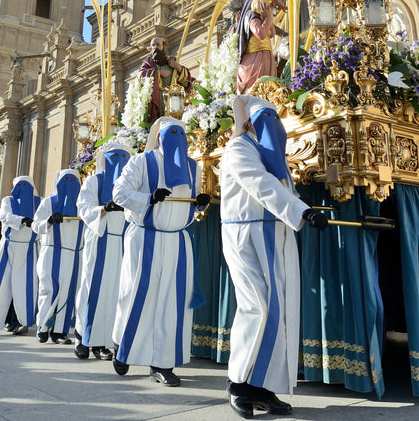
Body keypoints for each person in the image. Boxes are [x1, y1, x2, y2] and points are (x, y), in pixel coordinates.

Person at [219, 96, 328, 418]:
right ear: (249, 122)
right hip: (247, 235)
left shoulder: (269, 151)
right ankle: (237, 383)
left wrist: (299, 200)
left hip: (276, 233)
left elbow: (279, 187)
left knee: (279, 309)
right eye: (263, 117)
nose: (271, 123)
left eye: (273, 117)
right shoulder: (240, 148)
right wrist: (302, 211)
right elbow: (259, 183)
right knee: (257, 307)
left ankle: (262, 385)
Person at [111, 118, 208, 386]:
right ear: (160, 136)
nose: (176, 137)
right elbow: (119, 193)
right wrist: (148, 198)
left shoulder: (192, 166)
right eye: (170, 133)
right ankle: (123, 346)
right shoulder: (142, 161)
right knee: (137, 295)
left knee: (171, 304)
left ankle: (162, 363)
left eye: (181, 133)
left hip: (177, 240)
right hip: (145, 238)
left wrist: (200, 204)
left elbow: (192, 199)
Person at [74, 142, 131, 361]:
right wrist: (104, 209)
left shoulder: (131, 184)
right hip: (100, 238)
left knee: (116, 291)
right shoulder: (94, 181)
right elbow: (84, 208)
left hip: (123, 242)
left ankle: (104, 341)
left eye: (124, 156)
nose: (119, 160)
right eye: (114, 156)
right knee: (92, 288)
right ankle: (83, 337)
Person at [0, 177, 41, 335]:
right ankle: (7, 320)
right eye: (20, 185)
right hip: (10, 247)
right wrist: (21, 220)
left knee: (25, 287)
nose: (23, 188)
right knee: (5, 285)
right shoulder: (8, 200)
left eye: (26, 185)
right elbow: (4, 216)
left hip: (29, 249)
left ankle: (22, 321)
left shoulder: (39, 201)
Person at [32, 169, 84, 344]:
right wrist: (49, 220)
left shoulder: (82, 203)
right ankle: (43, 326)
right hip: (52, 251)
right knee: (49, 290)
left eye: (73, 180)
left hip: (74, 254)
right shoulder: (49, 202)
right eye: (65, 180)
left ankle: (60, 331)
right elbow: (35, 225)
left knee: (68, 291)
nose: (69, 183)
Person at [236, 0, 281, 94]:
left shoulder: (261, 17)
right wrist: (267, 18)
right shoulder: (251, 16)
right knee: (258, 93)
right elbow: (261, 34)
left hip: (265, 56)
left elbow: (272, 34)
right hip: (255, 60)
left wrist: (268, 17)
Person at [139, 36, 192, 124]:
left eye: (158, 45)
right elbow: (141, 76)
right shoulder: (148, 63)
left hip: (173, 101)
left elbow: (186, 84)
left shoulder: (172, 62)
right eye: (153, 45)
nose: (155, 47)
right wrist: (158, 73)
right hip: (157, 99)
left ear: (164, 46)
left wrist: (178, 67)